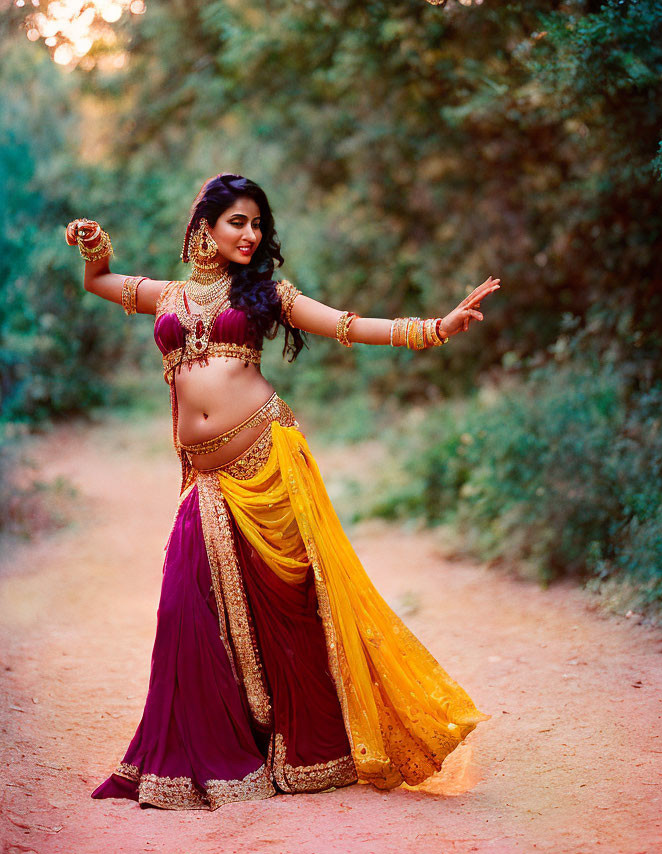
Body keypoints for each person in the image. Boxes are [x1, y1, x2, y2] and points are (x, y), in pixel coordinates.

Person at [65, 172, 498, 811]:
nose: (251, 234)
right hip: (205, 479)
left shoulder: (266, 293)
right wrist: (95, 246)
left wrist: (432, 328)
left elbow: (346, 325)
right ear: (204, 228)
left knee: (289, 609)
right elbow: (98, 282)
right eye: (237, 221)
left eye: (258, 224)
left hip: (269, 458)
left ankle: (315, 750)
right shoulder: (166, 296)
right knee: (184, 608)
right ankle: (197, 756)